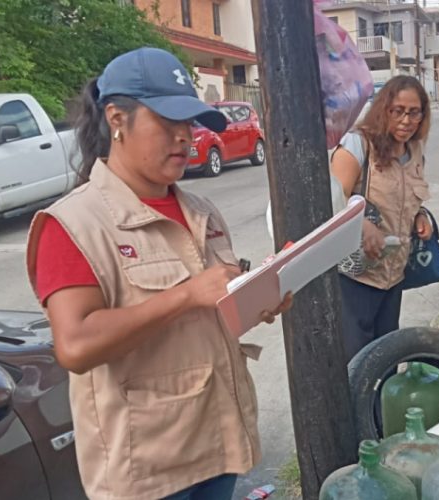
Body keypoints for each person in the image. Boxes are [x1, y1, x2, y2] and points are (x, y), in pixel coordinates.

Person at [25, 47, 291, 500]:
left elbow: (205, 315)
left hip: (218, 442)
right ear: (116, 119)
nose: (184, 137)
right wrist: (187, 295)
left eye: (189, 124)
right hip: (147, 472)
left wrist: (254, 299)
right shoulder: (74, 224)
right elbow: (75, 345)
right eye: (167, 123)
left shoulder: (200, 211)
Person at [330, 75, 434, 361]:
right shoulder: (358, 144)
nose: (406, 120)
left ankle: (378, 408)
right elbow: (330, 201)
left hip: (393, 277)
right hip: (355, 278)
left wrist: (420, 216)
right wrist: (360, 224)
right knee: (356, 364)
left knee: (386, 361)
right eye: (397, 111)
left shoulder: (414, 151)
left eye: (414, 112)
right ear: (383, 110)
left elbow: (408, 198)